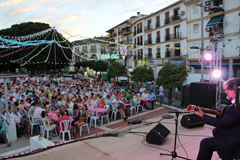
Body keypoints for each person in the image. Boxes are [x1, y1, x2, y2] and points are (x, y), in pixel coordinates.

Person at [187, 77, 240, 159]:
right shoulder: (236, 105)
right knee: (215, 132)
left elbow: (220, 123)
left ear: (237, 90)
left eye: (228, 89)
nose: (226, 92)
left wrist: (202, 115)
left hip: (233, 142)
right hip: (236, 135)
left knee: (205, 143)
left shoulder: (235, 108)